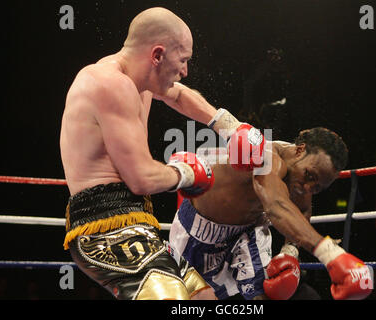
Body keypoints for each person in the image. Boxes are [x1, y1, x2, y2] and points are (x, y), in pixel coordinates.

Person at [60, 7, 263, 300]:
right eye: (182, 61)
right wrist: (188, 172)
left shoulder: (138, 81)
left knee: (204, 299)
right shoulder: (110, 83)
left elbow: (179, 94)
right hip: (103, 230)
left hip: (140, 222)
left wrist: (229, 125)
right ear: (157, 55)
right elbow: (141, 179)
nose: (185, 71)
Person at [169, 127, 374, 300]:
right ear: (299, 150)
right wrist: (331, 255)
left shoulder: (302, 177)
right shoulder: (267, 158)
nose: (307, 188)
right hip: (196, 232)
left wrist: (290, 250)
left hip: (247, 233)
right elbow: (275, 205)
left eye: (317, 187)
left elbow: (302, 209)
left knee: (263, 294)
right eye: (309, 176)